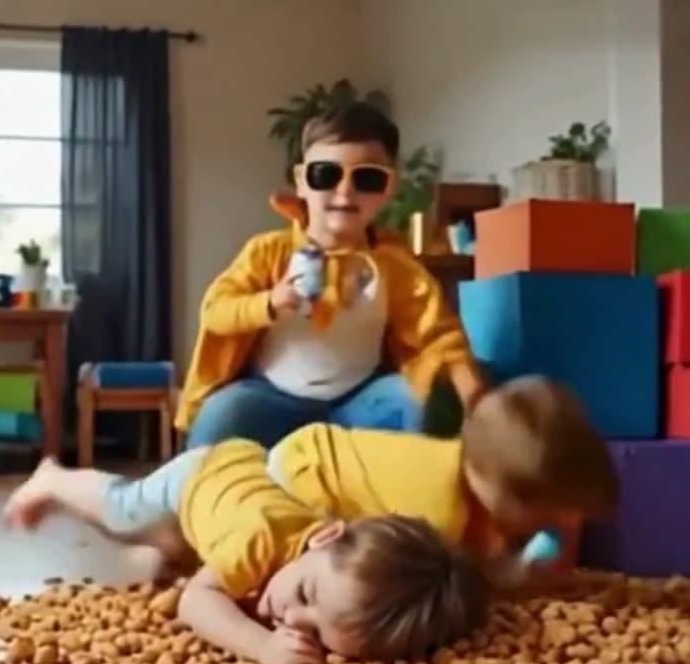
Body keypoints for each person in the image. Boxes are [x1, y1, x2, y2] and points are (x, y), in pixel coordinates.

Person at [2, 448, 489, 664]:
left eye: (318, 634)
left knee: (174, 549)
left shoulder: (326, 563)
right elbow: (196, 601)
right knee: (123, 511)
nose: (292, 619)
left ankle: (168, 549)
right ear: (323, 538)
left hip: (241, 488)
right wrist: (259, 646)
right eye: (305, 594)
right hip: (202, 475)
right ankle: (53, 479)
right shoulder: (258, 543)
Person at [177, 103, 483, 449]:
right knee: (222, 415)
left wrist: (474, 396)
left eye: (367, 178)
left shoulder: (396, 268)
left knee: (417, 400)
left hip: (358, 402)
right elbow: (216, 310)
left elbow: (440, 337)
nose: (345, 191)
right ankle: (198, 492)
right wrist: (268, 303)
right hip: (271, 397)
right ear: (301, 182)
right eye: (326, 175)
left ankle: (406, 489)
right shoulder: (269, 252)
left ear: (389, 187)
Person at [264, 375, 619, 588]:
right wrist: (508, 576)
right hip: (302, 481)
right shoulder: (438, 518)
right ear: (508, 501)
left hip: (316, 446)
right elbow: (457, 581)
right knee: (344, 581)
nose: (567, 524)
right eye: (550, 516)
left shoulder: (472, 463)